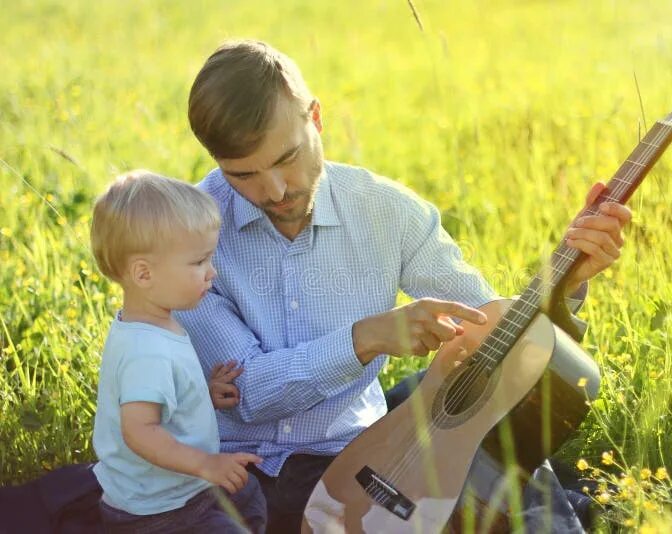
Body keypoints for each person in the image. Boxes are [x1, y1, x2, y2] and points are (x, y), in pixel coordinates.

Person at [176, 40, 631, 532]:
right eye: (243, 175)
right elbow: (248, 392)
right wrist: (366, 338)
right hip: (236, 471)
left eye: (287, 158)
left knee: (497, 458)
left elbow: (490, 330)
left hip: (362, 451)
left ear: (316, 119)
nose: (275, 191)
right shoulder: (187, 234)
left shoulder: (386, 211)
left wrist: (565, 279)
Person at [89, 170, 268, 533]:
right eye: (198, 262)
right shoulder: (147, 352)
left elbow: (159, 399)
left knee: (248, 494)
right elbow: (140, 431)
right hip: (159, 511)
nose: (211, 273)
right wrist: (206, 464)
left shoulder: (151, 324)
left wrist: (200, 396)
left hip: (177, 489)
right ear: (144, 274)